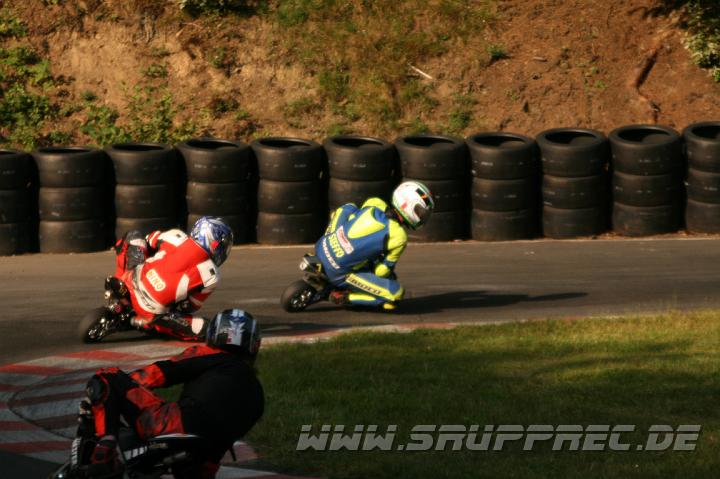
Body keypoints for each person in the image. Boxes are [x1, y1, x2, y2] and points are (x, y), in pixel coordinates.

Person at [82, 309, 264, 479]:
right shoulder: (258, 394)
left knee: (107, 377)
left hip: (172, 425)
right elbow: (225, 438)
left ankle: (105, 449)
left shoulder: (209, 355)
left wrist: (120, 388)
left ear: (213, 334)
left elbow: (157, 374)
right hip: (205, 459)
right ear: (254, 345)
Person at [315, 180, 435, 310]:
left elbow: (352, 218)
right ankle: (343, 297)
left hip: (322, 246)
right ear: (406, 204)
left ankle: (330, 241)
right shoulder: (399, 236)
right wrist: (386, 272)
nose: (422, 217)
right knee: (395, 295)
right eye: (420, 212)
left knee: (348, 207)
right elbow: (381, 272)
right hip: (337, 272)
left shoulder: (375, 202)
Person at [113, 216, 233, 340]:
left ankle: (120, 278)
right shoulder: (211, 274)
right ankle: (151, 324)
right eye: (222, 245)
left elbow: (149, 240)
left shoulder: (176, 236)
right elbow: (189, 307)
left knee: (134, 236)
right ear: (213, 240)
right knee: (209, 328)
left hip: (131, 279)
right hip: (153, 313)